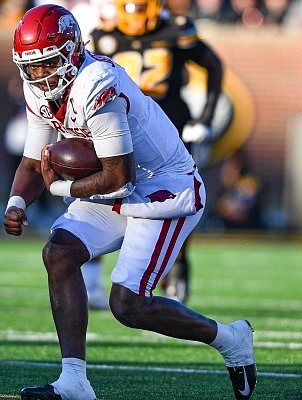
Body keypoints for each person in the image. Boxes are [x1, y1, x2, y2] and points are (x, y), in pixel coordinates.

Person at [4, 5, 255, 400]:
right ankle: (74, 381)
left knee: (127, 305)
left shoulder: (95, 83)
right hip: (116, 182)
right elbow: (35, 161)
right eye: (31, 66)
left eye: (47, 63)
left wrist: (59, 191)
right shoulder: (38, 88)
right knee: (59, 254)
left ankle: (230, 339)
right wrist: (17, 201)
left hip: (164, 188)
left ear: (71, 52)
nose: (39, 75)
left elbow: (119, 178)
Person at [85, 0, 224, 304]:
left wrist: (205, 118)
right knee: (103, 194)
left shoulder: (175, 30)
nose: (134, 12)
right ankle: (92, 280)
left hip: (170, 134)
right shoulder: (103, 36)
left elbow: (213, 65)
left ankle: (177, 269)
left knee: (177, 201)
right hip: (124, 130)